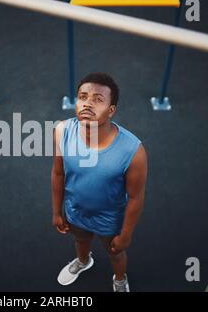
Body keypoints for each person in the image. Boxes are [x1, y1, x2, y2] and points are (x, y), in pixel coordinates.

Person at [51, 72, 147, 292]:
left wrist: (126, 234)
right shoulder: (62, 131)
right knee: (80, 241)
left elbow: (135, 198)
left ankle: (120, 279)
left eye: (98, 99)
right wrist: (56, 212)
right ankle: (84, 262)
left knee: (115, 253)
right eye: (83, 97)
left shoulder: (134, 151)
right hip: (74, 210)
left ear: (111, 110)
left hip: (109, 218)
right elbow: (57, 174)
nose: (87, 104)